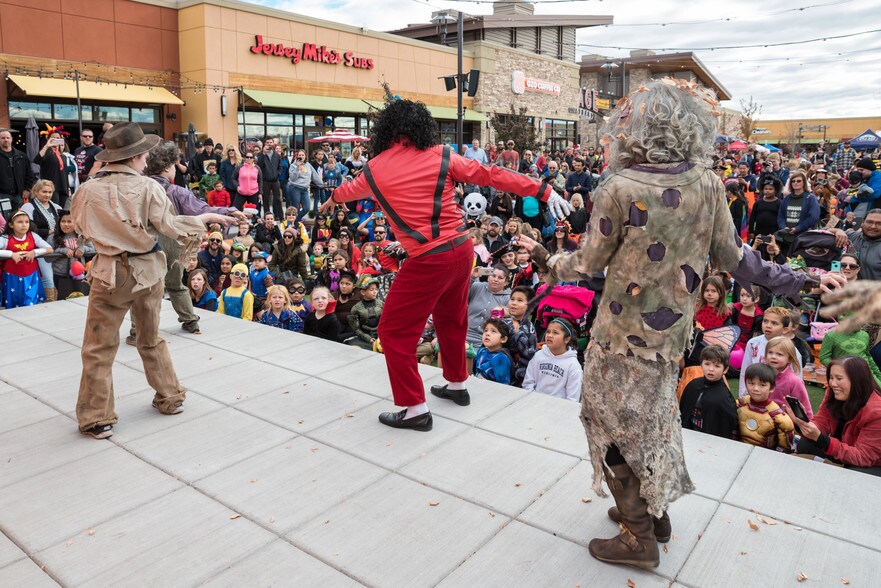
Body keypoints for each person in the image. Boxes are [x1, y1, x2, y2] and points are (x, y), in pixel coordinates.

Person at [516, 79, 843, 570]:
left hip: (619, 339)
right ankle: (655, 512)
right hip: (671, 340)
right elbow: (739, 260)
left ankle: (638, 535)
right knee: (655, 423)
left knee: (610, 425)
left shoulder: (619, 187)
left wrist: (547, 259)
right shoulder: (709, 184)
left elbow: (588, 261)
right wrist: (798, 280)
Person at [320, 99, 568, 431]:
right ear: (421, 127)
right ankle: (456, 385)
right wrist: (543, 189)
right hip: (462, 250)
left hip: (428, 259)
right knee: (452, 320)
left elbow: (347, 192)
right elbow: (492, 175)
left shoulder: (374, 168)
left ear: (387, 130)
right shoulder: (442, 154)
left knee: (392, 332)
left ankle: (414, 408)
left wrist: (331, 199)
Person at [69, 122, 231, 439]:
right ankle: (170, 397)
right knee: (150, 337)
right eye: (144, 154)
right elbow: (170, 226)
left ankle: (96, 417)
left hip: (108, 274)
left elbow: (80, 228)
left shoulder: (86, 190)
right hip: (146, 272)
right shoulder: (149, 188)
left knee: (98, 348)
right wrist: (205, 219)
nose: (147, 160)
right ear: (135, 157)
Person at [143, 141, 243, 337]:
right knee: (176, 285)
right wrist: (228, 210)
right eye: (174, 165)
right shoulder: (175, 191)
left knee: (146, 290)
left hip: (144, 242)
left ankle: (138, 330)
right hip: (172, 240)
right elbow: (201, 209)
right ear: (166, 167)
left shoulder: (140, 188)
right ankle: (191, 322)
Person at [786, 356, 881, 474]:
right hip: (844, 449)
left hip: (870, 462)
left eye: (839, 378)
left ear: (857, 380)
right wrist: (802, 424)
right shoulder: (833, 393)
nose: (833, 383)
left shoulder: (877, 412)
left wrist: (821, 439)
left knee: (855, 473)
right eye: (831, 377)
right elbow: (821, 422)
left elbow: (863, 457)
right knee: (805, 444)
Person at [679, 345, 739, 440]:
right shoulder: (693, 385)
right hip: (687, 434)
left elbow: (727, 427)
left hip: (709, 441)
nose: (711, 369)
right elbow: (683, 411)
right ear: (701, 364)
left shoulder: (724, 397)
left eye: (717, 366)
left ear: (726, 369)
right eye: (707, 364)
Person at [0, 209, 54, 308]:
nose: (24, 225)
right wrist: (11, 254)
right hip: (12, 277)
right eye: (20, 222)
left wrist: (34, 252)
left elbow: (49, 249)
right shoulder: (5, 238)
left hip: (31, 276)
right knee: (13, 307)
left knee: (30, 304)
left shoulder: (33, 236)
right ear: (11, 225)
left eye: (26, 222)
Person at [737, 363, 795, 452]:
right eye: (751, 383)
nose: (755, 388)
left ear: (772, 388)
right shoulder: (740, 404)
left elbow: (784, 449)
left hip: (764, 456)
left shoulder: (778, 417)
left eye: (762, 385)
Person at [21, 179, 62, 301]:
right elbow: (26, 227)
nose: (47, 195)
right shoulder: (28, 206)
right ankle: (50, 302)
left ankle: (56, 301)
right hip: (40, 247)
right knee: (48, 277)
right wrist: (48, 231)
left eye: (50, 192)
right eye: (44, 191)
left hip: (56, 245)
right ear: (36, 192)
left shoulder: (54, 206)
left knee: (56, 276)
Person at [522, 317, 582, 401]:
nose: (549, 335)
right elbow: (528, 382)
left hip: (557, 410)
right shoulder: (538, 355)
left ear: (567, 339)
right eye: (548, 332)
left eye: (555, 333)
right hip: (534, 403)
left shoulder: (573, 365)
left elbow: (573, 398)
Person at [764, 336, 813, 420]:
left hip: (784, 424)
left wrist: (807, 425)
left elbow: (805, 406)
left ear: (789, 359)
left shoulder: (794, 381)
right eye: (770, 352)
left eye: (779, 354)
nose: (773, 356)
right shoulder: (762, 374)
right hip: (761, 418)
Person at [52, 210, 94, 300]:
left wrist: (82, 249)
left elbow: (92, 248)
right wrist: (63, 250)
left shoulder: (82, 236)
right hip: (60, 274)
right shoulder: (53, 237)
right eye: (63, 221)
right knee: (63, 298)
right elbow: (50, 253)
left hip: (79, 273)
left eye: (69, 221)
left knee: (80, 296)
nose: (66, 224)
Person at [832, 208, 881, 281]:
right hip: (845, 290)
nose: (873, 226)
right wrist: (837, 231)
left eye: (879, 223)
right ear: (862, 222)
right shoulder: (851, 236)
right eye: (869, 222)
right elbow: (823, 230)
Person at [33, 126, 71, 208]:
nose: (56, 139)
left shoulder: (63, 155)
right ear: (48, 139)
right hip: (51, 188)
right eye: (53, 138)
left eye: (58, 138)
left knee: (63, 211)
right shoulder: (46, 152)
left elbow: (65, 172)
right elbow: (36, 160)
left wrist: (68, 187)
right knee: (54, 209)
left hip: (63, 187)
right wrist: (47, 146)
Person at [0, 128, 35, 216]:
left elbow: (29, 174)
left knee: (17, 216)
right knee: (5, 218)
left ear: (11, 139)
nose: (6, 140)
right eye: (3, 138)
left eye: (8, 138)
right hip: (2, 194)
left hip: (18, 195)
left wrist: (27, 189)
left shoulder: (22, 156)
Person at [473, 317, 514, 385]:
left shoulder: (500, 358)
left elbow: (503, 384)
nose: (487, 334)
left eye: (493, 331)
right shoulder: (482, 351)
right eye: (486, 330)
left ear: (503, 339)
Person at [347, 276, 382, 349]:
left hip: (381, 335)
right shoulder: (356, 308)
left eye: (376, 289)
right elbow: (356, 329)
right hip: (364, 338)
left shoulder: (381, 304)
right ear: (363, 292)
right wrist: (368, 338)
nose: (375, 291)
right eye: (372, 289)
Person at [258, 138, 284, 218]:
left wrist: (277, 174)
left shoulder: (276, 155)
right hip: (265, 181)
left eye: (270, 142)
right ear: (265, 144)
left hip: (275, 180)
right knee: (266, 200)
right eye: (267, 142)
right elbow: (259, 165)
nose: (269, 144)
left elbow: (280, 166)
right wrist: (263, 154)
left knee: (278, 200)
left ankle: (281, 217)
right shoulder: (261, 154)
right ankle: (267, 217)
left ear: (273, 144)